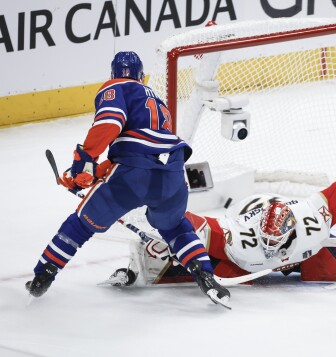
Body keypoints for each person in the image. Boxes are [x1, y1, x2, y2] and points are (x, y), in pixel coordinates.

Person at [26, 51, 231, 308]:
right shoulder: (158, 101)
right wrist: (94, 173)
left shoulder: (116, 87)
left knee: (81, 225)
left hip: (132, 176)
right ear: (141, 75)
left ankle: (43, 274)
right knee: (175, 226)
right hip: (173, 174)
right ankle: (204, 274)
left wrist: (83, 162)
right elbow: (138, 148)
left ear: (113, 74)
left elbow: (110, 123)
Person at [105, 180, 336, 287]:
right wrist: (168, 235)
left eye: (276, 241)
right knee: (208, 262)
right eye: (266, 240)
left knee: (323, 261)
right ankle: (142, 269)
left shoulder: (311, 219)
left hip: (295, 238)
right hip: (248, 211)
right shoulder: (238, 234)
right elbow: (192, 223)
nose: (271, 246)